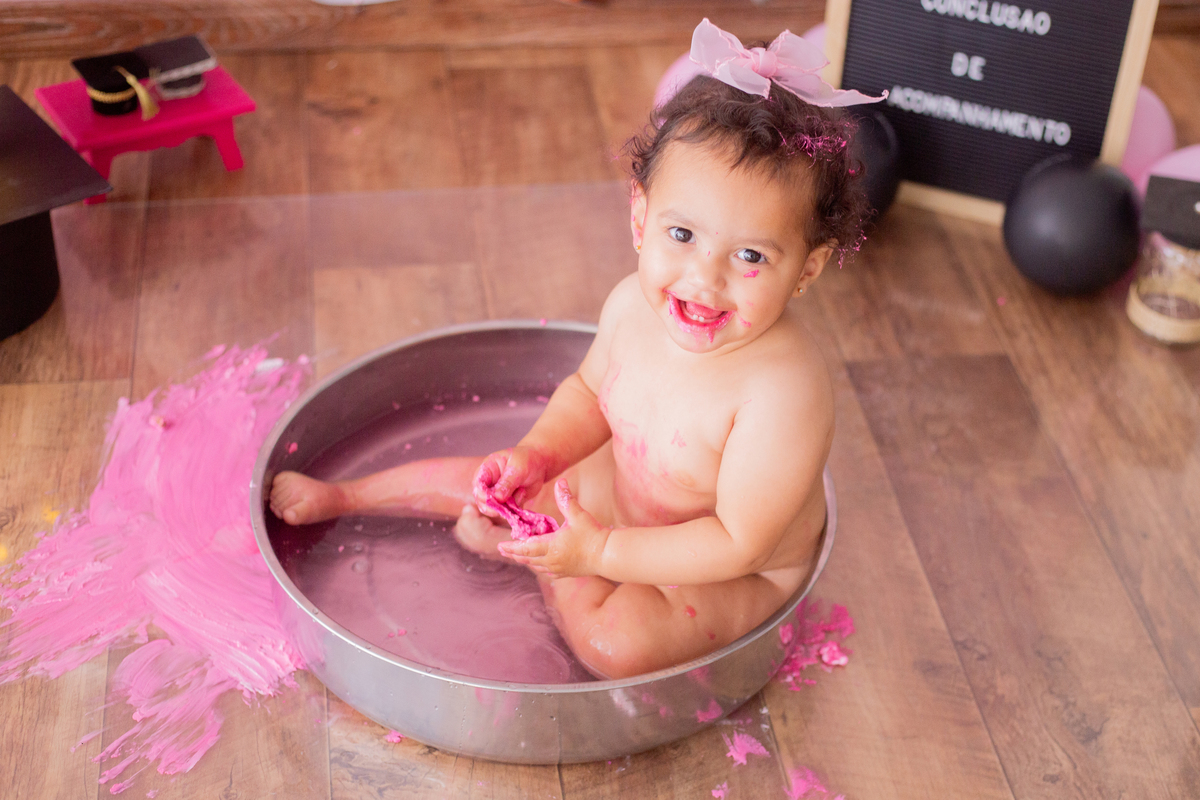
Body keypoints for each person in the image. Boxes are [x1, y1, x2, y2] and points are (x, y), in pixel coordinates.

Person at [270, 19, 883, 679]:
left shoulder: (782, 392)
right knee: (497, 485)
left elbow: (739, 543)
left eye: (751, 256)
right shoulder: (630, 306)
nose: (705, 279)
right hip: (621, 501)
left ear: (808, 268)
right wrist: (537, 455)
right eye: (682, 235)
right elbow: (590, 394)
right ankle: (349, 496)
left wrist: (596, 555)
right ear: (640, 217)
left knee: (618, 646)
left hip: (719, 570)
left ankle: (541, 559)